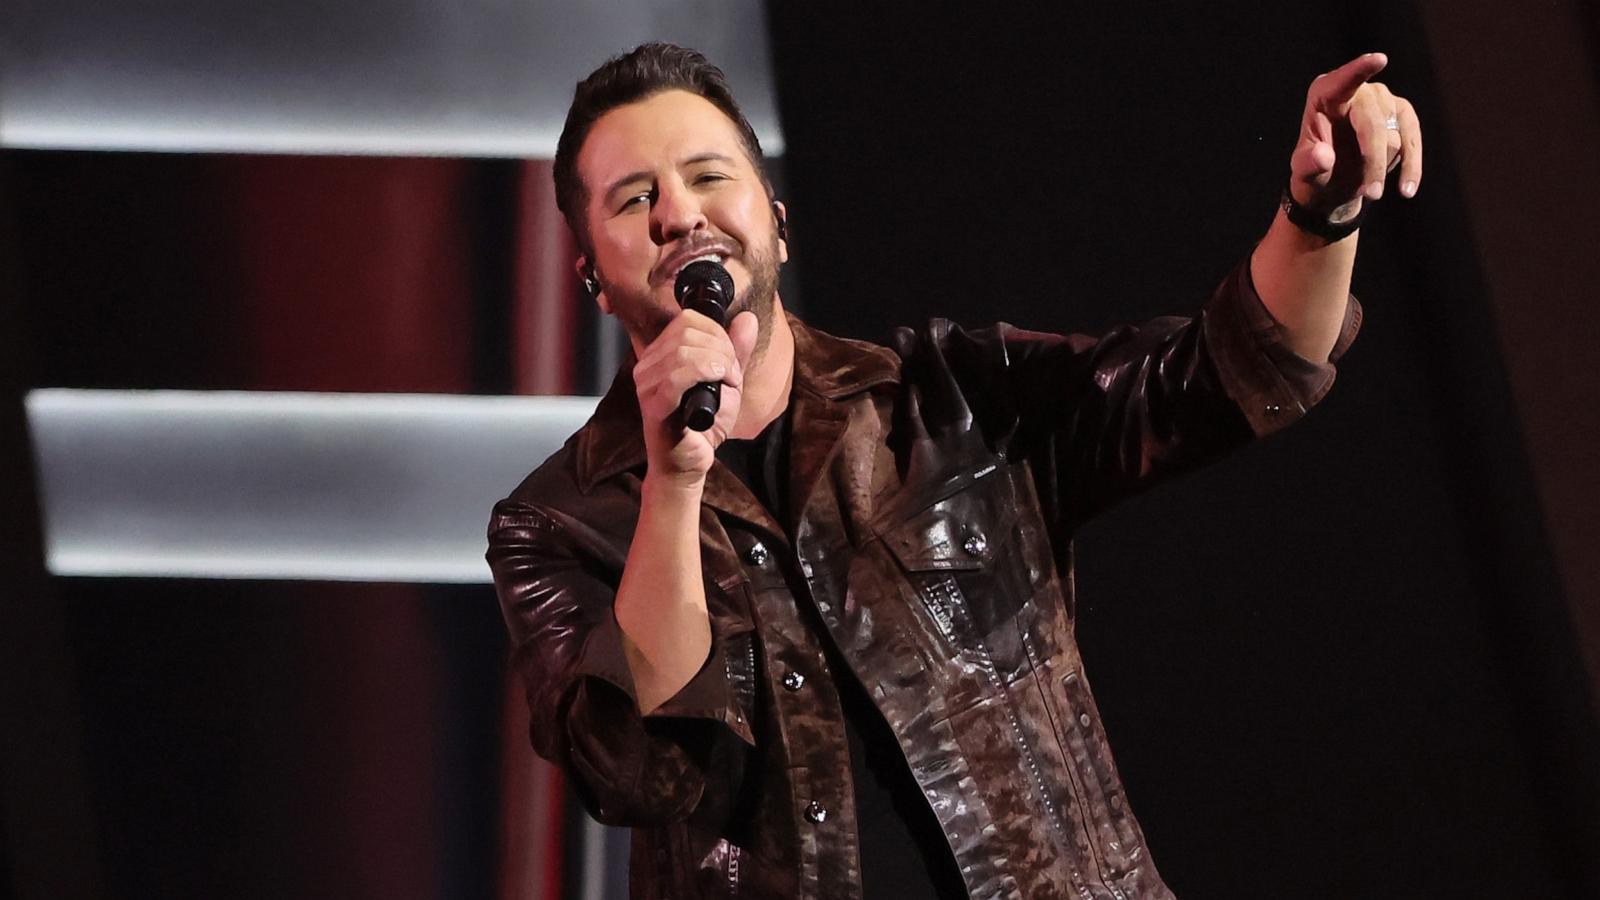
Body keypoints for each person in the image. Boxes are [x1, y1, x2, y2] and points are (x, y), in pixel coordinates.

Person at [488, 42, 1421, 900]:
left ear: (775, 225)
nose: (678, 214)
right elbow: (635, 771)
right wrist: (673, 481)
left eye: (706, 176)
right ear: (591, 277)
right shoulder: (556, 522)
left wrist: (1322, 210)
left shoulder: (955, 396)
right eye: (633, 198)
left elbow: (1226, 375)